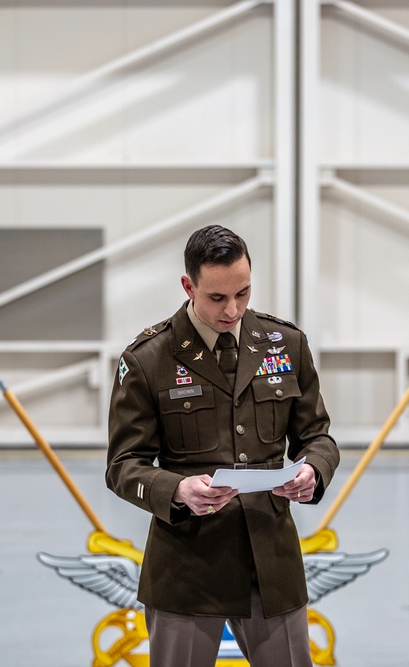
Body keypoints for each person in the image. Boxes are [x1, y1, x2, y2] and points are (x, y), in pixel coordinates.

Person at [106, 224, 340, 667]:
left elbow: (318, 436)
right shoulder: (148, 359)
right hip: (187, 567)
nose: (233, 310)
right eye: (217, 298)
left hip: (271, 564)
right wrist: (176, 490)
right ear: (188, 286)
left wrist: (313, 470)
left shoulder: (285, 345)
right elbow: (122, 465)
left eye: (244, 293)